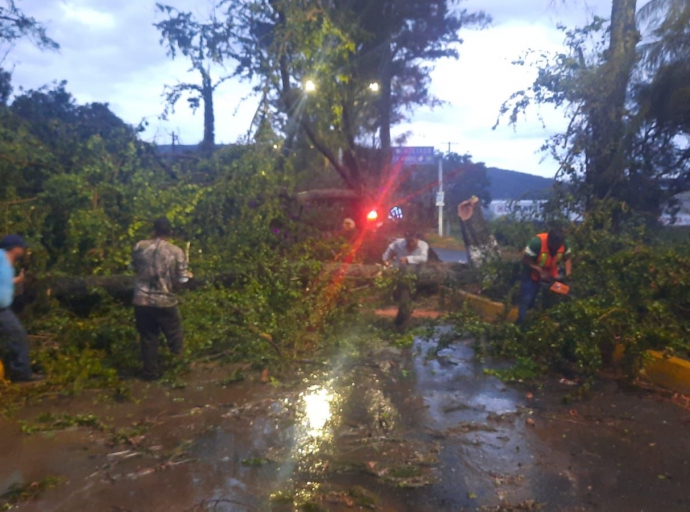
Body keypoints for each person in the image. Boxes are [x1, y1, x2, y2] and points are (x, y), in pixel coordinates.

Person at [131, 218, 192, 380]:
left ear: (154, 231)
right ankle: (177, 367)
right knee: (174, 334)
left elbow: (133, 268)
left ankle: (150, 374)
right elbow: (182, 280)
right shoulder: (177, 251)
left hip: (141, 300)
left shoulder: (139, 246)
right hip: (165, 301)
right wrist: (178, 287)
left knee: (148, 337)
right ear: (170, 233)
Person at [0, 235, 42, 382]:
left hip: (3, 309)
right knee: (17, 336)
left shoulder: (6, 262)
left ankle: (15, 372)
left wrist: (17, 280)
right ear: (14, 248)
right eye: (21, 247)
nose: (23, 250)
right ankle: (21, 375)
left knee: (14, 337)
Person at [517, 227, 572, 325]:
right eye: (554, 246)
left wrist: (568, 274)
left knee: (550, 302)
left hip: (551, 275)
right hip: (531, 274)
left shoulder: (564, 244)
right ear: (549, 240)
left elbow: (567, 259)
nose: (555, 249)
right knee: (527, 300)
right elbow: (524, 259)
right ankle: (522, 325)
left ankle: (544, 325)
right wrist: (539, 270)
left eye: (558, 246)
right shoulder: (537, 243)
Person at [382, 233, 429, 328]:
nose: (410, 243)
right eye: (408, 241)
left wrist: (408, 259)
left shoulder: (423, 245)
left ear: (417, 239)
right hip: (397, 272)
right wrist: (386, 260)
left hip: (415, 274)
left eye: (412, 241)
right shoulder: (399, 243)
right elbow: (389, 251)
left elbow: (423, 258)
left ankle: (402, 320)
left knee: (407, 297)